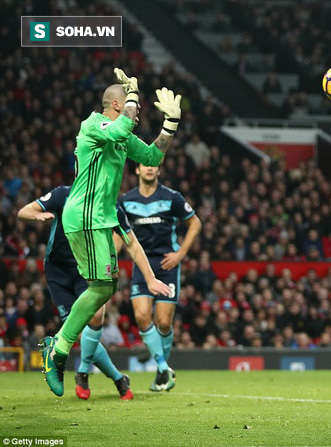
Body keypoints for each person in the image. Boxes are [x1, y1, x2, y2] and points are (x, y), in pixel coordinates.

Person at [39, 67, 182, 397]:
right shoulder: (92, 125)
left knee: (104, 288)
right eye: (131, 104)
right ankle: (59, 352)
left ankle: (57, 350)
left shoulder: (120, 134)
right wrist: (132, 95)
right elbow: (120, 129)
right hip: (85, 215)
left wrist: (170, 125)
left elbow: (151, 154)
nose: (136, 110)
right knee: (102, 287)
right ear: (117, 105)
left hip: (100, 217)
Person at [19, 186, 170, 399]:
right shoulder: (63, 194)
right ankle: (117, 378)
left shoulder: (110, 205)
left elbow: (132, 243)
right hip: (58, 270)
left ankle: (77, 368)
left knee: (98, 316)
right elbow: (23, 211)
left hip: (87, 268)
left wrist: (150, 277)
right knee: (80, 334)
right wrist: (37, 215)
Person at [119, 163, 201, 391]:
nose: (149, 168)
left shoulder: (171, 197)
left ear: (159, 171)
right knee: (143, 315)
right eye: (145, 164)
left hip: (167, 264)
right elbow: (120, 234)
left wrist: (180, 254)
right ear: (137, 170)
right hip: (143, 266)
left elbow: (195, 223)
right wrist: (112, 259)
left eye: (154, 165)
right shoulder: (126, 200)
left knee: (164, 322)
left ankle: (160, 372)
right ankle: (164, 367)